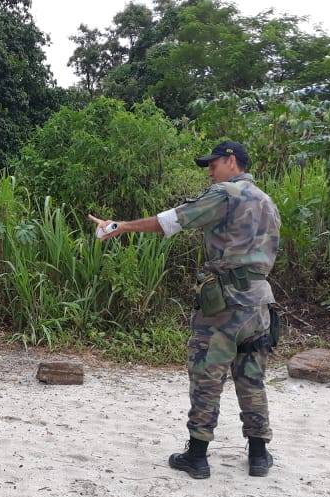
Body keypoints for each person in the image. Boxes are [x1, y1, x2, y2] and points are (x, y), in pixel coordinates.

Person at [90, 141, 281, 479]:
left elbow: (171, 221)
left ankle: (197, 455)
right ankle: (259, 455)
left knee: (207, 375)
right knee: (251, 376)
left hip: (224, 302)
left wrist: (119, 226)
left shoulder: (226, 194)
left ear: (231, 161)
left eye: (213, 164)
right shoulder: (267, 202)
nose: (209, 171)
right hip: (260, 302)